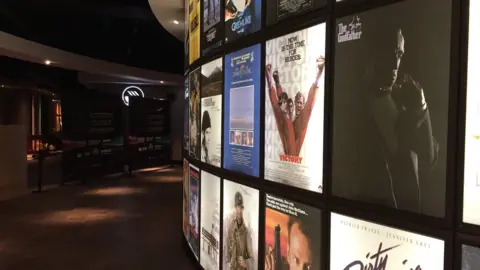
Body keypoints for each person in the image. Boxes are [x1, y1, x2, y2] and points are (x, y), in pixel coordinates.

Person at [336, 21, 439, 212]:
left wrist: (421, 107)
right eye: (390, 53)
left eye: (399, 54)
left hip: (408, 221)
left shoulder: (403, 100)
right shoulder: (350, 103)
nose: (395, 64)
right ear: (373, 54)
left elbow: (429, 159)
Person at [266, 57, 325, 157]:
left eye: (301, 103)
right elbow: (279, 105)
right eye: (297, 102)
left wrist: (318, 75)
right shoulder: (289, 117)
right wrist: (271, 81)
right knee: (281, 111)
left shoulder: (302, 119)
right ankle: (275, 82)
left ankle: (275, 82)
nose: (298, 105)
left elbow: (310, 103)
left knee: (283, 114)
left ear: (303, 105)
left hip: (293, 156)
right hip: (289, 154)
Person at [226, 192, 254, 269]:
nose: (240, 210)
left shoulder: (246, 232)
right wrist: (228, 261)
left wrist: (246, 263)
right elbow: (228, 246)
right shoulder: (231, 227)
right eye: (238, 207)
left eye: (241, 207)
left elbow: (252, 260)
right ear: (235, 207)